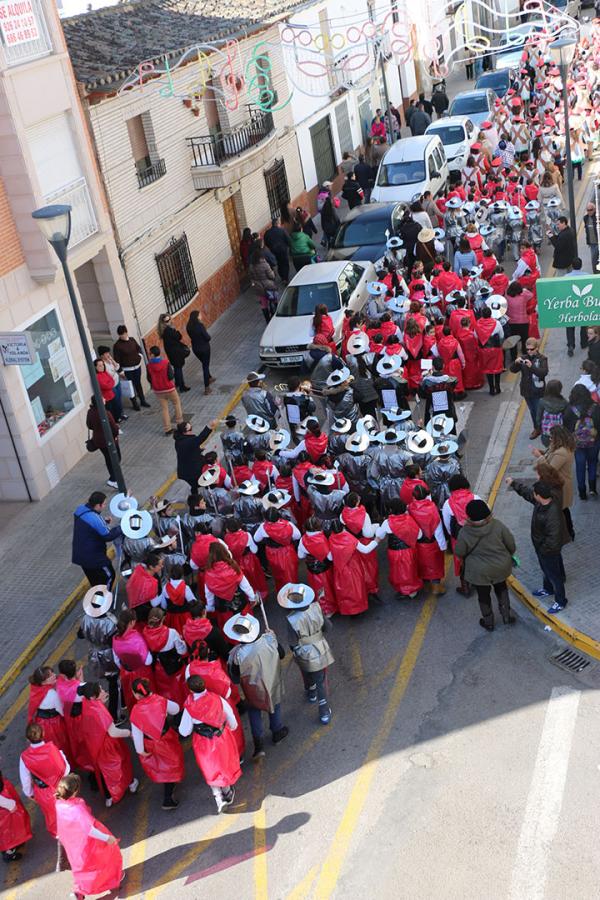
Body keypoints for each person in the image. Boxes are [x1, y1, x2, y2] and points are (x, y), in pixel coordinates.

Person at [225, 613, 288, 758]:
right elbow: (282, 654)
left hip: (252, 689)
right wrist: (274, 638)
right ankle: (277, 731)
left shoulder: (236, 655)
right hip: (271, 681)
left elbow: (234, 677)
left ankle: (258, 744)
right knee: (275, 705)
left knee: (254, 713)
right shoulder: (268, 640)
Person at [179, 674, 241, 812]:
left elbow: (184, 731)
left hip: (203, 743)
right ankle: (227, 791)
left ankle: (218, 798)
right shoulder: (217, 699)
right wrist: (232, 727)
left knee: (210, 769)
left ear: (190, 690)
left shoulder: (189, 708)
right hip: (221, 738)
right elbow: (231, 716)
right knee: (223, 764)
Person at [507, 478, 570, 614]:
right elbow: (527, 493)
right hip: (543, 548)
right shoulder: (542, 501)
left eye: (535, 493)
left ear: (539, 496)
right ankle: (548, 589)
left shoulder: (551, 514)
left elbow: (553, 539)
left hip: (548, 550)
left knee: (554, 575)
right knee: (547, 570)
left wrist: (542, 550)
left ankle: (560, 601)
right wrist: (514, 483)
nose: (533, 495)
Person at [55, 773, 123, 900]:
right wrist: (107, 838)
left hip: (73, 844)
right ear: (75, 792)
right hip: (87, 843)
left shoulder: (59, 803)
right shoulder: (77, 808)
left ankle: (78, 893)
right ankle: (112, 881)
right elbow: (89, 829)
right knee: (107, 859)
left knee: (81, 869)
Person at [454, 499, 516, 631]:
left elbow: (459, 552)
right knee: (501, 588)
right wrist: (508, 556)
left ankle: (489, 622)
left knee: (483, 595)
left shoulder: (465, 532)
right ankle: (506, 616)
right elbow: (511, 544)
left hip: (479, 571)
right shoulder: (498, 525)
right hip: (500, 566)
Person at [278, 582, 334, 725]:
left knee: (306, 672)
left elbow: (292, 641)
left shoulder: (291, 619)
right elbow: (328, 627)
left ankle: (311, 692)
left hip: (303, 651)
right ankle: (324, 712)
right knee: (321, 680)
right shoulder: (316, 608)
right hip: (320, 648)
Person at [80, 681, 138, 808]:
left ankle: (109, 796)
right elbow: (113, 732)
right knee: (121, 763)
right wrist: (129, 733)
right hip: (108, 744)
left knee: (103, 771)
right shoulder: (98, 710)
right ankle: (130, 783)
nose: (104, 691)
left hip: (95, 745)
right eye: (100, 691)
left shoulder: (86, 705)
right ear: (93, 697)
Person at [130, 678, 184, 810]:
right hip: (167, 739)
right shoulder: (160, 700)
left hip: (151, 744)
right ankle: (168, 797)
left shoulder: (136, 711)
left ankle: (168, 794)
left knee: (162, 767)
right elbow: (176, 709)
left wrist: (141, 751)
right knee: (172, 764)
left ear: (137, 695)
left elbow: (137, 736)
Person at [20, 722, 69, 847]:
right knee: (67, 810)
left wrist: (30, 793)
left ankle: (60, 837)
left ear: (27, 739)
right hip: (60, 786)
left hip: (43, 792)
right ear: (43, 733)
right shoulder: (52, 748)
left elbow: (25, 780)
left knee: (51, 816)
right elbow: (65, 768)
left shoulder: (24, 757)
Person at [532, 425, 576, 540]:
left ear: (557, 438)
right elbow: (550, 456)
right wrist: (543, 453)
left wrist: (539, 456)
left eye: (551, 437)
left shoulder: (561, 452)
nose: (550, 439)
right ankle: (569, 532)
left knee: (562, 510)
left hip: (560, 486)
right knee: (563, 510)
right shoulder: (559, 447)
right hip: (559, 484)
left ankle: (568, 533)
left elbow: (550, 470)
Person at [72, 491, 121, 588]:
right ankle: (105, 601)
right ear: (98, 505)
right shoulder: (95, 518)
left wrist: (104, 522)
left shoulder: (80, 510)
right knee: (110, 576)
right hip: (94, 558)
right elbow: (108, 536)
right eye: (104, 504)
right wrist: (122, 527)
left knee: (95, 583)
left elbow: (89, 525)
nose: (104, 506)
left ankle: (96, 600)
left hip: (80, 557)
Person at [563, 384, 600, 500]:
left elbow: (566, 427)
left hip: (577, 444)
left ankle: (582, 492)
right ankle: (593, 488)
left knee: (580, 466)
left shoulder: (570, 409)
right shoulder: (596, 407)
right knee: (593, 463)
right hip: (594, 442)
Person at [27, 666, 70, 762]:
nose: (55, 675)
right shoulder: (52, 694)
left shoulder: (36, 690)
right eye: (50, 676)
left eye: (53, 673)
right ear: (44, 682)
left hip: (41, 723)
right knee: (61, 746)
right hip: (54, 725)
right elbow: (63, 712)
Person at [510, 337, 548, 437]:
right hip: (527, 390)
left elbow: (543, 373)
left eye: (531, 349)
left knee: (539, 411)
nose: (529, 351)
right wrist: (516, 362)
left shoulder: (542, 359)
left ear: (537, 348)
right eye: (527, 349)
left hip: (537, 391)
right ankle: (537, 428)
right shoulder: (524, 358)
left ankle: (543, 428)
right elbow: (513, 370)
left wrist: (532, 367)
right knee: (532, 411)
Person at [146, 345, 184, 436]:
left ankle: (167, 429)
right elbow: (171, 376)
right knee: (176, 403)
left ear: (152, 355)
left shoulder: (149, 366)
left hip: (158, 390)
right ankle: (180, 423)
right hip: (169, 388)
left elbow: (149, 378)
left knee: (164, 409)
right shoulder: (166, 362)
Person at [86, 396, 121, 489]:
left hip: (98, 440)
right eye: (102, 399)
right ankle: (113, 479)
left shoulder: (90, 412)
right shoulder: (106, 413)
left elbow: (89, 425)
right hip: (109, 440)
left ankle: (113, 478)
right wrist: (117, 432)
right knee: (116, 458)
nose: (105, 399)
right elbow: (114, 428)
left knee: (108, 458)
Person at [112, 325, 150, 411]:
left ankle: (143, 400)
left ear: (126, 332)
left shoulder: (132, 340)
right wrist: (120, 371)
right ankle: (135, 404)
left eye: (124, 334)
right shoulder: (117, 346)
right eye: (121, 334)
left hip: (137, 367)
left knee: (138, 384)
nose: (123, 336)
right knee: (130, 387)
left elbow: (139, 349)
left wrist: (140, 356)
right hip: (127, 370)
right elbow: (117, 360)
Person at [0, 768, 31, 863]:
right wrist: (9, 804)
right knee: (6, 830)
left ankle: (14, 844)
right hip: (4, 804)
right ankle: (9, 851)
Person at [173, 420, 214, 490]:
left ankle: (195, 494)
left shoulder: (179, 441)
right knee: (209, 477)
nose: (192, 431)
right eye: (190, 429)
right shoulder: (189, 441)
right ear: (184, 432)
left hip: (184, 472)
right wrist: (209, 426)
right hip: (192, 471)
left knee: (195, 485)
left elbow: (187, 452)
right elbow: (200, 438)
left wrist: (198, 450)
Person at [157, 313, 190, 393]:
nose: (169, 321)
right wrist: (175, 330)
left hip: (172, 352)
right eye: (167, 321)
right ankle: (181, 386)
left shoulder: (165, 330)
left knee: (177, 368)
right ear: (163, 323)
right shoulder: (169, 330)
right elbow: (179, 336)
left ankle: (178, 384)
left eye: (170, 319)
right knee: (178, 369)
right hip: (175, 353)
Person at [186, 310, 214, 395]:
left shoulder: (188, 326)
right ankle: (207, 387)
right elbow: (207, 337)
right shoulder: (200, 326)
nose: (201, 316)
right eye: (200, 315)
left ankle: (209, 377)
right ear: (197, 317)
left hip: (195, 349)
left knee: (204, 363)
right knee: (205, 366)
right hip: (204, 348)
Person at [248, 248, 279, 322]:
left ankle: (267, 320)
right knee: (274, 299)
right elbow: (271, 276)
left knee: (264, 304)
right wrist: (273, 273)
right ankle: (275, 314)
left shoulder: (251, 266)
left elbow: (251, 276)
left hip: (258, 287)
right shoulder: (265, 264)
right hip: (269, 285)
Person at [535, 380, 568, 447]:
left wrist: (540, 428)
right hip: (560, 434)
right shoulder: (564, 403)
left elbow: (538, 419)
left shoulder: (542, 402)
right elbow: (566, 419)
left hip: (546, 434)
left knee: (549, 450)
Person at [264, 216, 291, 282]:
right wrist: (288, 247)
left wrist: (271, 248)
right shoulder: (282, 230)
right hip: (283, 250)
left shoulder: (267, 233)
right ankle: (285, 278)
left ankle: (282, 277)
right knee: (285, 264)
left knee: (279, 264)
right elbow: (288, 240)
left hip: (274, 251)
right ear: (277, 224)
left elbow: (266, 242)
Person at [583, 201, 599, 274]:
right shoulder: (585, 218)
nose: (589, 212)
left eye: (591, 210)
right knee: (594, 260)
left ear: (594, 209)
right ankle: (595, 274)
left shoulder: (598, 217)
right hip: (592, 244)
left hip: (598, 242)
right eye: (588, 210)